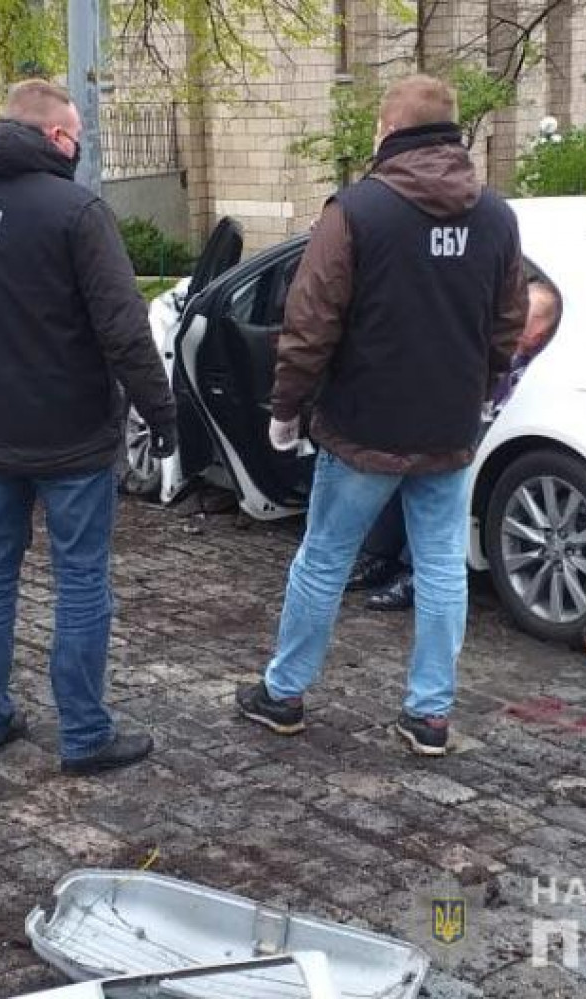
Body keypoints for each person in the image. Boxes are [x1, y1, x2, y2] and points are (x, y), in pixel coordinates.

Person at [236, 74, 527, 757]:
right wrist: (480, 388)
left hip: (363, 427)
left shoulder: (357, 211)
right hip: (450, 427)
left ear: (390, 129)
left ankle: (283, 694)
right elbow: (508, 321)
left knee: (323, 559)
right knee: (442, 564)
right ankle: (429, 714)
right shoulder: (495, 216)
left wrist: (286, 407)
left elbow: (309, 322)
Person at [0, 80, 177, 775]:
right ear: (57, 137)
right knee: (82, 578)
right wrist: (162, 412)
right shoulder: (77, 211)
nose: (80, 146)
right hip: (71, 437)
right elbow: (125, 330)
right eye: (78, 135)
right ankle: (84, 734)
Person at [349, 279, 563, 613]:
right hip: (456, 420)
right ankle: (379, 555)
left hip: (494, 437)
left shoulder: (545, 368)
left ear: (543, 331)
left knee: (436, 477)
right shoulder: (491, 341)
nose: (518, 323)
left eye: (529, 319)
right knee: (401, 458)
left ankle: (415, 572)